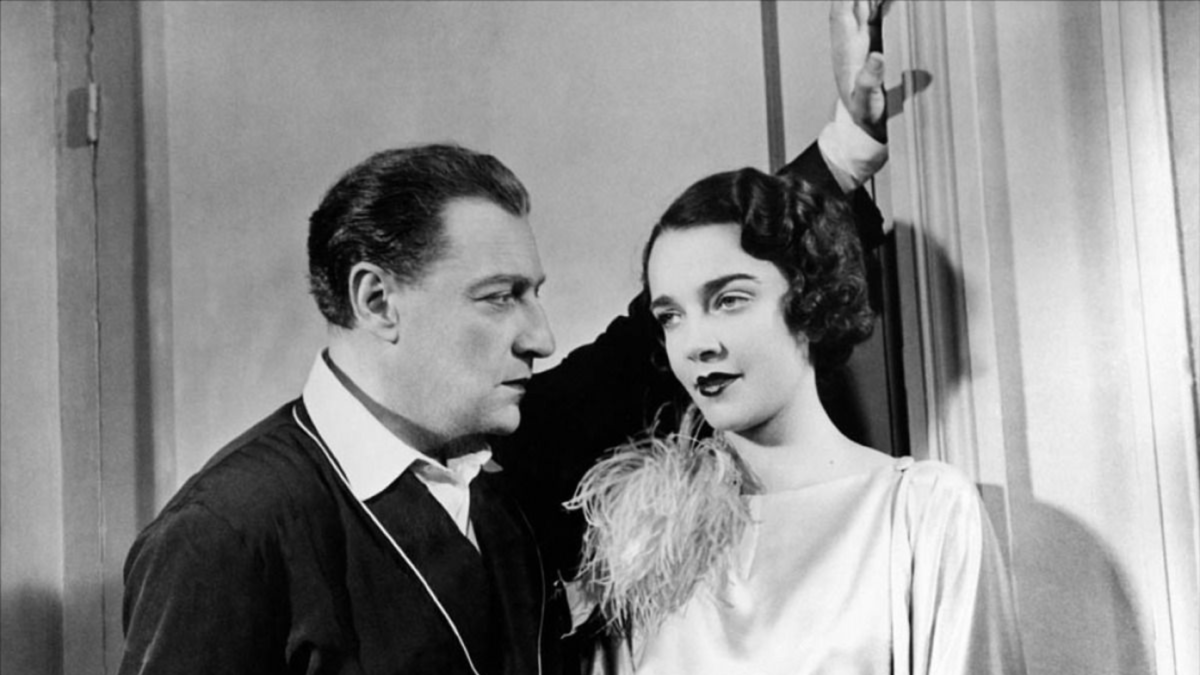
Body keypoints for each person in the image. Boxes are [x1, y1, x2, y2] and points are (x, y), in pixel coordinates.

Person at [118, 3, 889, 673]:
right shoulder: (225, 534)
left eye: (536, 294)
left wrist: (844, 152)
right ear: (377, 300)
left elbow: (648, 345)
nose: (540, 336)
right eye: (500, 297)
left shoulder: (510, 456)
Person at [566, 170, 1025, 673]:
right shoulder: (644, 539)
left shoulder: (921, 512)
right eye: (671, 316)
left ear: (809, 301)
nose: (696, 343)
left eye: (729, 300)